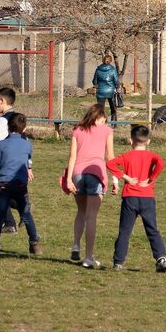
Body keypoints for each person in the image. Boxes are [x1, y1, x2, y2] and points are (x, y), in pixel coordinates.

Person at [106, 124, 166, 273]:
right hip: (147, 197)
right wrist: (151, 179)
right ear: (148, 141)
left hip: (130, 197)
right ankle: (161, 258)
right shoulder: (152, 156)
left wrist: (126, 177)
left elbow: (110, 164)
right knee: (152, 229)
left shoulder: (127, 156)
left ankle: (118, 262)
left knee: (125, 231)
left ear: (130, 140)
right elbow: (160, 163)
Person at [65, 103, 117, 269]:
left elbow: (72, 157)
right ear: (101, 117)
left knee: (80, 211)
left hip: (77, 174)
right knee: (91, 216)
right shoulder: (107, 130)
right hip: (96, 174)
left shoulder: (78, 130)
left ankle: (75, 245)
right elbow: (110, 157)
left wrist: (69, 179)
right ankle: (88, 257)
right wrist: (115, 180)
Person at [0, 112, 41, 257]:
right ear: (24, 129)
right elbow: (27, 162)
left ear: (7, 127)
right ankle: (34, 243)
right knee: (26, 215)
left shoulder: (1, 144)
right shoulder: (27, 145)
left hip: (4, 184)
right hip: (20, 185)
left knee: (0, 215)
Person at [93, 55, 120, 121]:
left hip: (101, 91)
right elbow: (116, 81)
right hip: (111, 91)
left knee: (100, 108)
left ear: (103, 60)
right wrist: (117, 86)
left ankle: (102, 122)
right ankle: (114, 123)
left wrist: (98, 83)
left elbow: (94, 81)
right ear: (111, 61)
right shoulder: (113, 70)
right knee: (113, 107)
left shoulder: (98, 69)